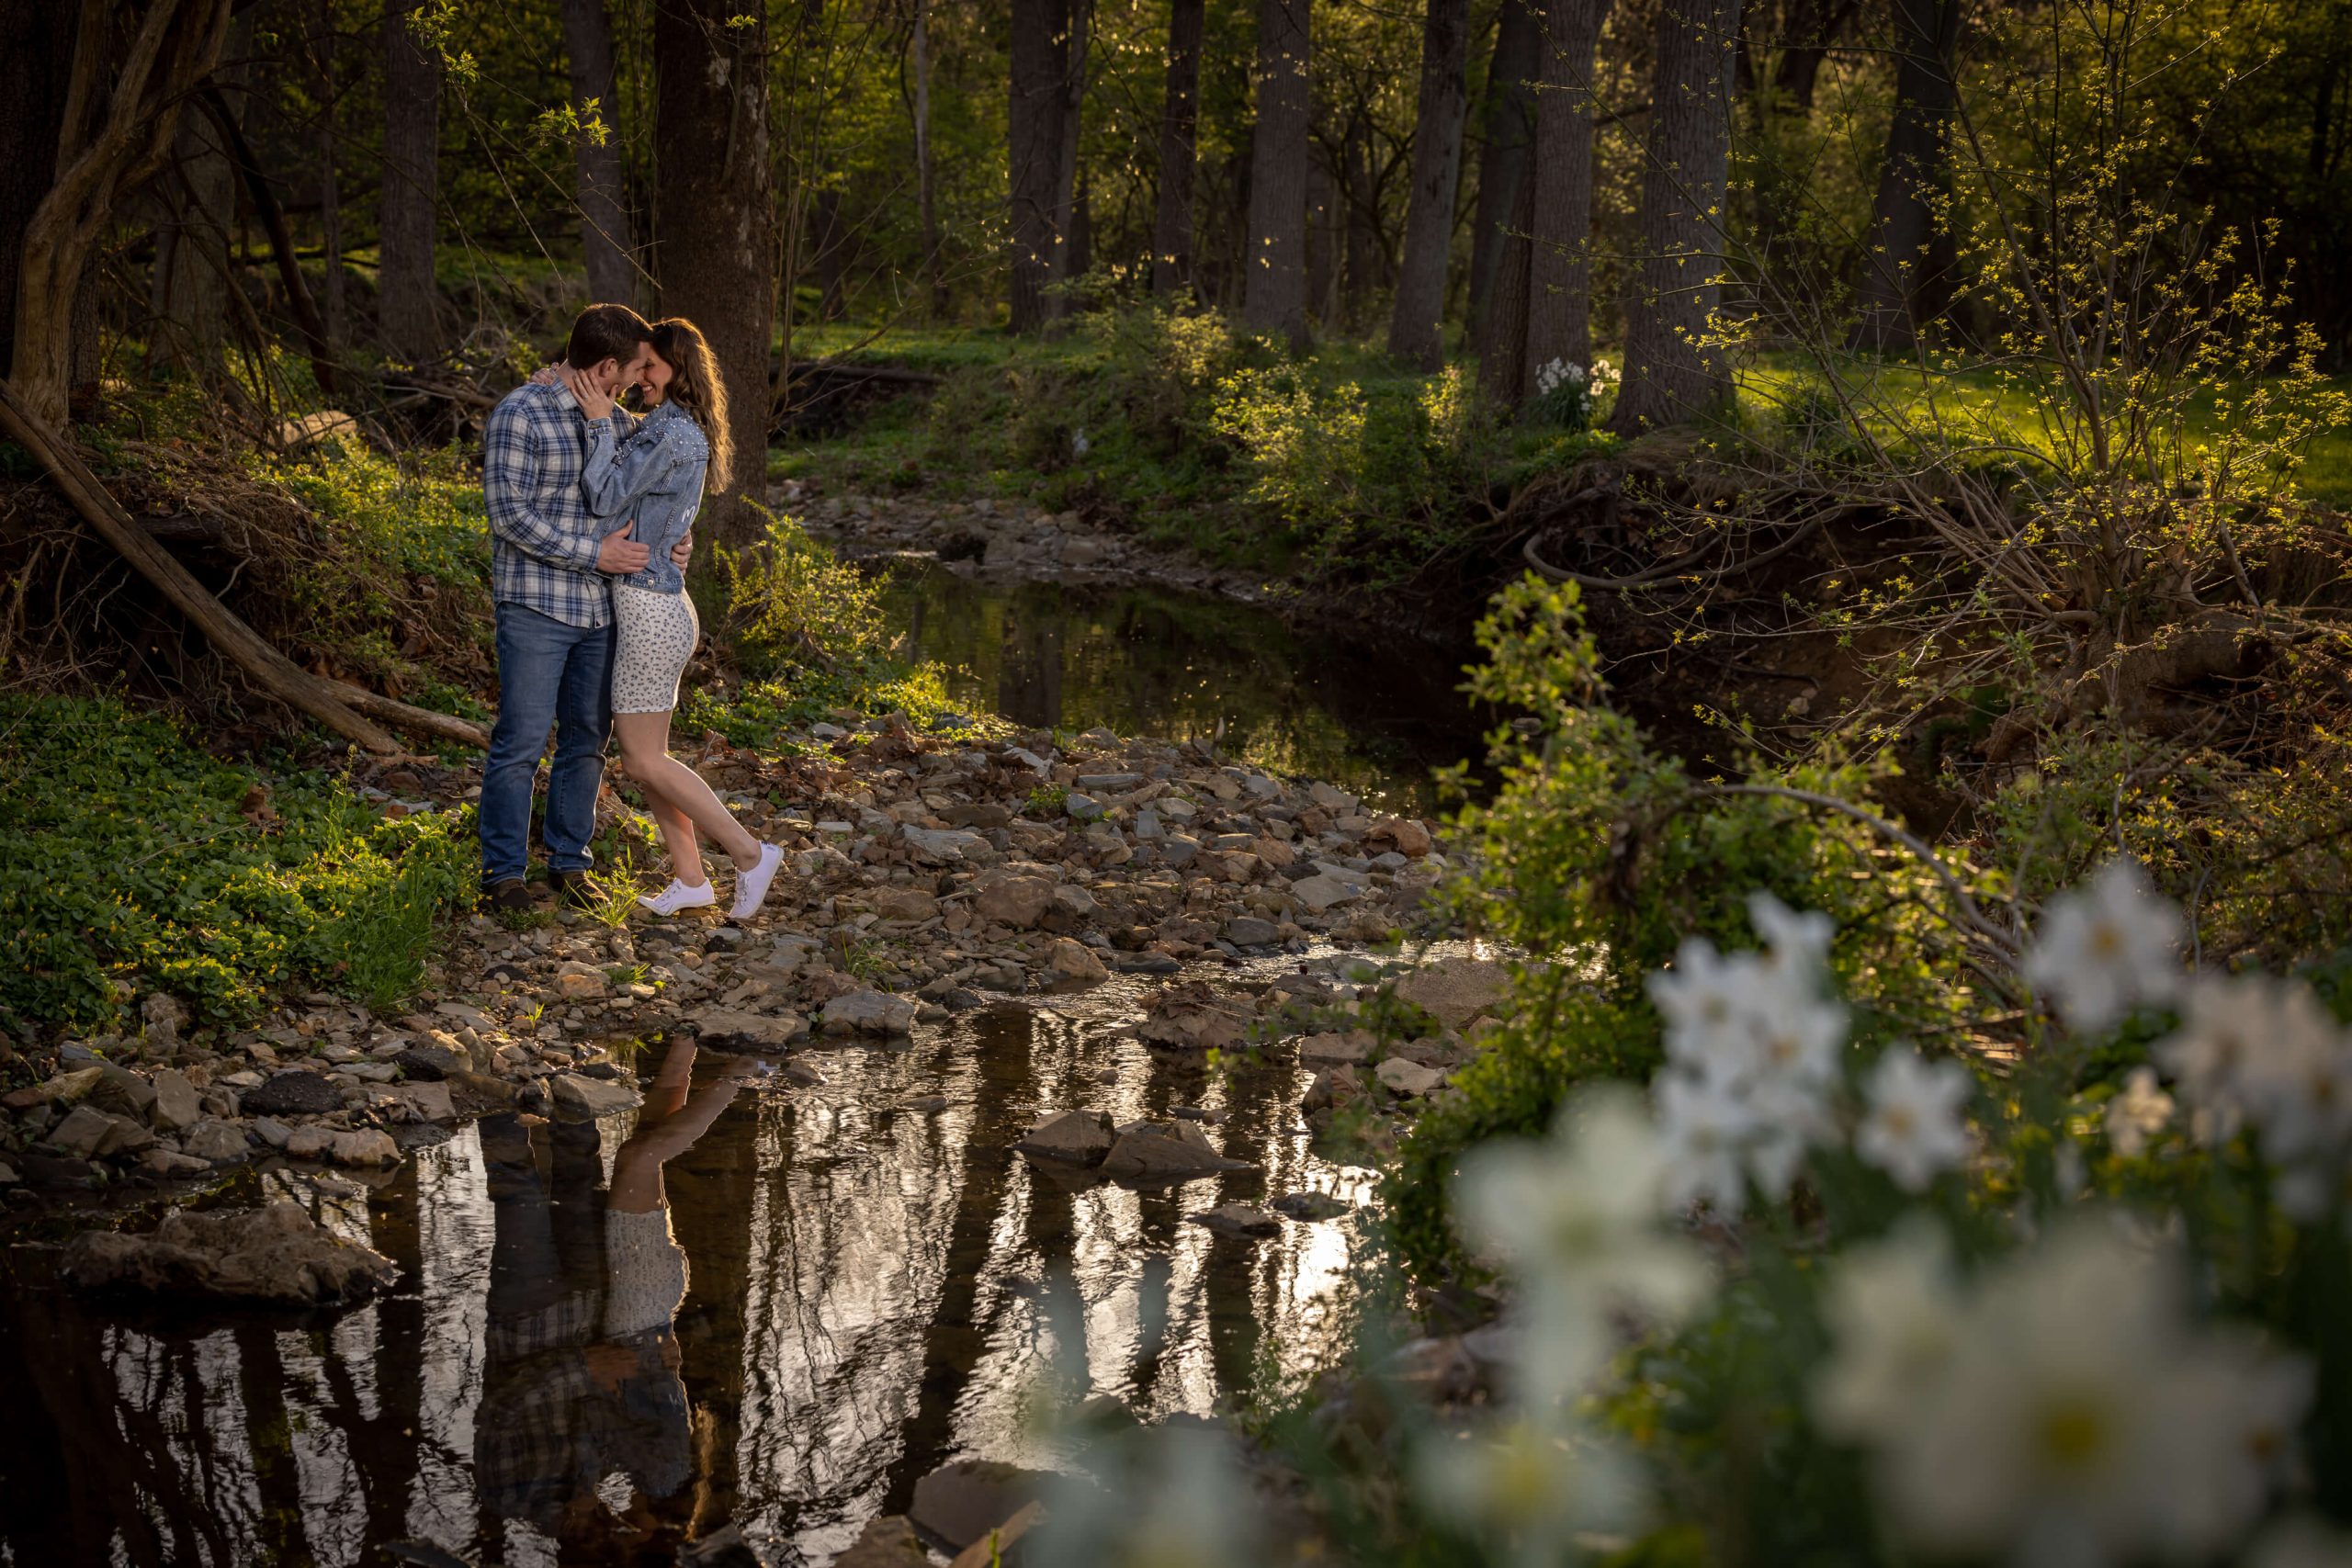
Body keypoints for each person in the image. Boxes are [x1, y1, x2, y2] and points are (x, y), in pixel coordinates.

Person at [553, 317, 784, 920]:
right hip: (653, 603)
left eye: (650, 367)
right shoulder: (666, 427)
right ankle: (690, 879)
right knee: (647, 756)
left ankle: (749, 852)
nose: (640, 378)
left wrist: (601, 422)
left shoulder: (674, 434)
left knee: (642, 760)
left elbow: (605, 498)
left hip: (652, 609)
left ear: (677, 369)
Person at [478, 302, 694, 912]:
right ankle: (503, 875)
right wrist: (593, 553)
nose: (634, 381)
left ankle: (570, 865)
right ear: (605, 367)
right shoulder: (520, 414)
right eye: (631, 369)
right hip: (537, 607)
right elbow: (510, 515)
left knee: (585, 742)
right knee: (520, 740)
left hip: (602, 615)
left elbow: (653, 494)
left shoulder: (621, 426)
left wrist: (678, 534)